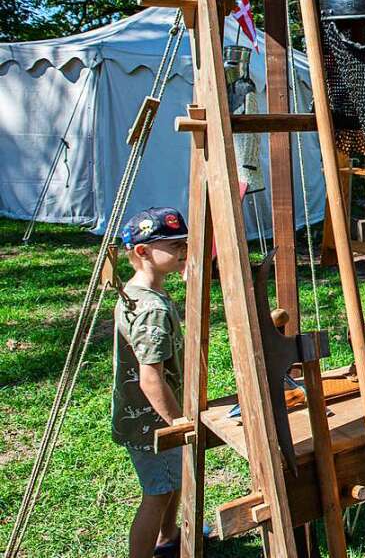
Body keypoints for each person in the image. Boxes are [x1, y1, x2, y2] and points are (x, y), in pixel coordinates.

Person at [112, 207, 188, 558]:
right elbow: (150, 378)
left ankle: (168, 536)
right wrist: (178, 422)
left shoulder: (139, 293)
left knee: (171, 482)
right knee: (157, 494)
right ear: (142, 251)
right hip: (153, 421)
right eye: (173, 246)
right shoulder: (151, 309)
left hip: (146, 416)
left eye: (183, 242)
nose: (183, 250)